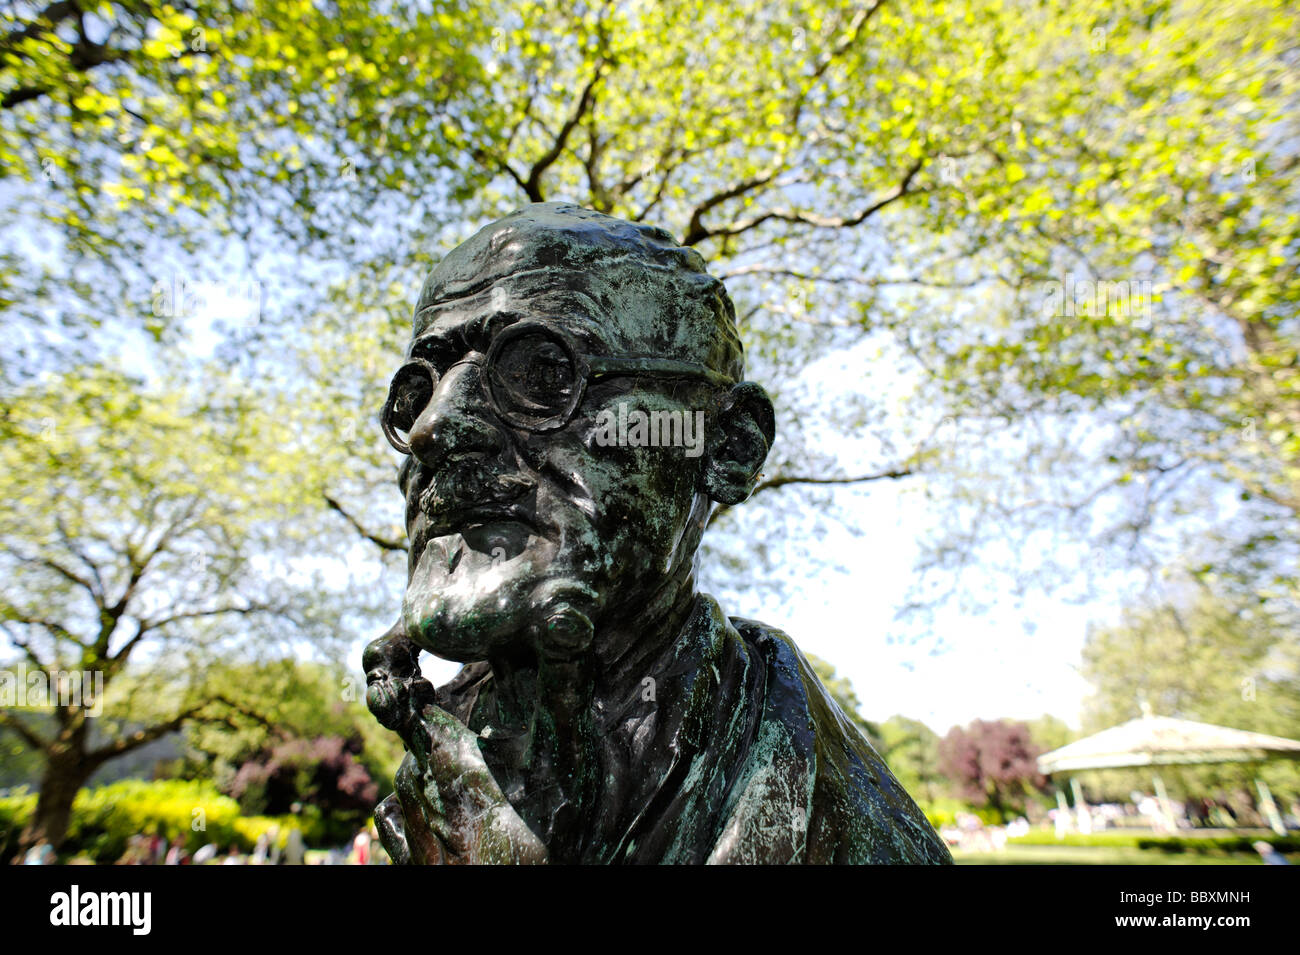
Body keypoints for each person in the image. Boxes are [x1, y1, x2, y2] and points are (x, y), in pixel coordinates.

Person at [364, 203, 951, 865]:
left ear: (728, 444)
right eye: (417, 390)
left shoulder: (838, 818)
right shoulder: (434, 766)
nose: (432, 429)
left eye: (539, 372)